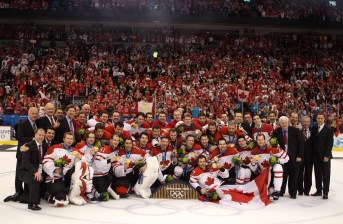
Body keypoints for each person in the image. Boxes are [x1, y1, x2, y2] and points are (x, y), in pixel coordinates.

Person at [4, 107, 38, 203]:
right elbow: (20, 138)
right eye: (33, 113)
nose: (35, 115)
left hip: (31, 154)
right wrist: (32, 139)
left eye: (36, 113)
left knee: (28, 172)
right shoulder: (22, 124)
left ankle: (26, 192)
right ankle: (18, 192)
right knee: (19, 173)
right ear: (28, 113)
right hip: (22, 153)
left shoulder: (37, 124)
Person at [272, 116, 304, 199]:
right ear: (279, 124)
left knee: (293, 175)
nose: (284, 124)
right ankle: (281, 191)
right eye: (282, 123)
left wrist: (299, 155)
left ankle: (293, 193)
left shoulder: (295, 130)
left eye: (286, 122)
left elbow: (301, 143)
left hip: (293, 157)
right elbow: (272, 143)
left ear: (288, 122)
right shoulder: (276, 132)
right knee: (283, 174)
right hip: (282, 158)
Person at [250, 133, 289, 200]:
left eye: (262, 139)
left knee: (278, 167)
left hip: (272, 171)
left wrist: (277, 161)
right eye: (259, 140)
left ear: (265, 140)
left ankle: (277, 191)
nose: (260, 141)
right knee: (265, 191)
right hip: (263, 174)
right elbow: (254, 170)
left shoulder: (273, 148)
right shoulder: (254, 151)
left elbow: (287, 158)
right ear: (256, 141)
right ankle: (269, 190)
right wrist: (253, 163)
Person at [18, 128, 47, 210]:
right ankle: (32, 204)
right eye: (39, 135)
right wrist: (35, 172)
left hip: (38, 170)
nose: (41, 137)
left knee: (38, 197)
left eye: (42, 135)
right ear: (35, 135)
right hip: (24, 171)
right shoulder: (28, 145)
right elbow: (25, 162)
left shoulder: (45, 145)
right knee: (36, 179)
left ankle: (20, 198)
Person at [312, 113, 334, 199]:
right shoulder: (314, 128)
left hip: (325, 156)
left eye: (321, 118)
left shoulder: (328, 129)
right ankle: (318, 190)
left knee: (326, 174)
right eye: (318, 118)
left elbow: (329, 144)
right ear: (316, 119)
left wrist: (327, 155)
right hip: (316, 156)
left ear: (324, 119)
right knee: (317, 174)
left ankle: (325, 192)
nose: (320, 120)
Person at [298, 116, 315, 196]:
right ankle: (300, 190)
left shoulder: (313, 131)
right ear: (302, 122)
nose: (306, 123)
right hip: (300, 156)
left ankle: (307, 190)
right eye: (304, 122)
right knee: (299, 173)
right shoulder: (298, 130)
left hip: (310, 157)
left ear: (310, 122)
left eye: (307, 122)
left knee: (308, 173)